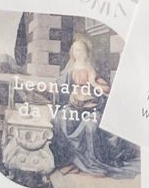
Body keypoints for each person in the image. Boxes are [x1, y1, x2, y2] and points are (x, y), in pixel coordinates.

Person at [50, 38, 139, 179]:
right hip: (74, 107)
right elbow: (61, 88)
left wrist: (94, 88)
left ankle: (91, 163)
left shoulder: (93, 69)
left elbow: (102, 90)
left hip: (92, 108)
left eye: (80, 50)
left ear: (86, 52)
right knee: (60, 118)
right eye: (75, 50)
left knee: (90, 125)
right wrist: (70, 94)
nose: (77, 53)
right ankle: (67, 161)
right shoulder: (69, 71)